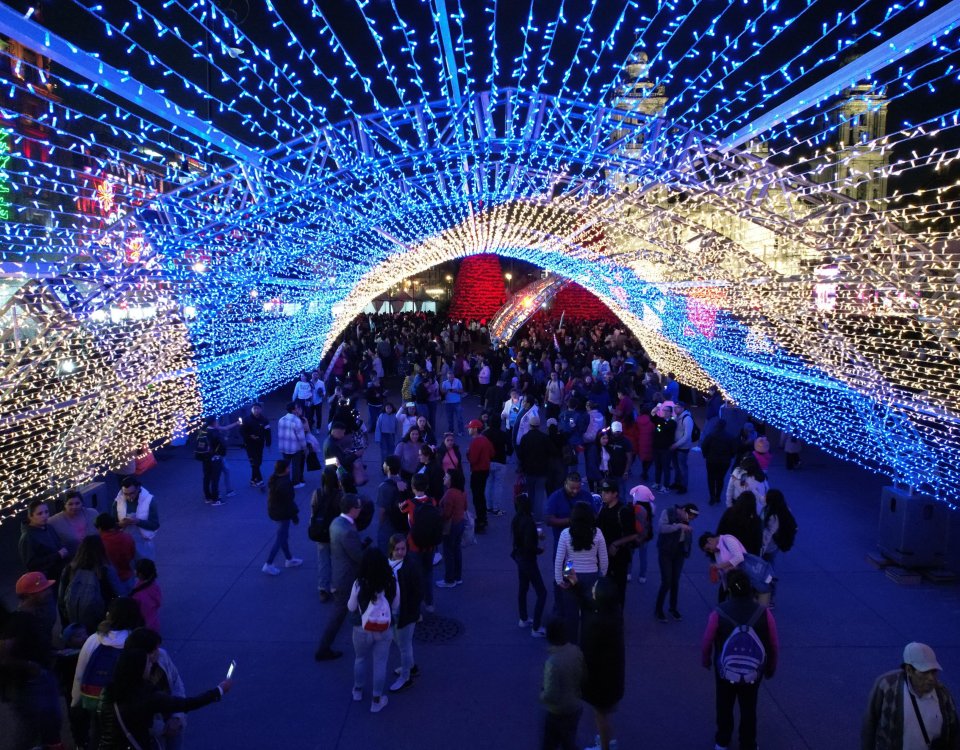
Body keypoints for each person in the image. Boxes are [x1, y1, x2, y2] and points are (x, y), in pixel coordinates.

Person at [701, 569, 778, 750]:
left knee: (724, 704)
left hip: (725, 670)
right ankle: (748, 743)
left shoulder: (718, 612)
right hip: (753, 671)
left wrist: (705, 660)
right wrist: (771, 668)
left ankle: (722, 740)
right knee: (749, 707)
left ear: (729, 589)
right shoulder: (764, 613)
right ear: (750, 588)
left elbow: (707, 641)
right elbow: (774, 644)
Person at [98, 644, 231, 750]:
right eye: (147, 663)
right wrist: (218, 691)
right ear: (138, 669)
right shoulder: (147, 696)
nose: (151, 665)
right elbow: (187, 704)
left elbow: (100, 728)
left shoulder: (110, 691)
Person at [4, 573, 65, 750]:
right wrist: (31, 667)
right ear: (31, 595)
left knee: (46, 725)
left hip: (37, 682)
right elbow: (4, 653)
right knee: (30, 730)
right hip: (30, 685)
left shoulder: (32, 617)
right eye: (43, 589)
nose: (48, 591)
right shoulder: (19, 621)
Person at [862, 641, 960, 750]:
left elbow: (954, 733)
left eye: (933, 672)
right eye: (925, 672)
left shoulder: (943, 694)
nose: (931, 678)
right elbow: (870, 723)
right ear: (909, 670)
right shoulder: (886, 686)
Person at [566, 574, 624, 750]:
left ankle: (605, 745)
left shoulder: (596, 624)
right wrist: (576, 585)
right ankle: (606, 740)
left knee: (601, 714)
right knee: (604, 713)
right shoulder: (611, 613)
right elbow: (587, 599)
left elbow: (586, 649)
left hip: (600, 679)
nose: (590, 591)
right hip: (613, 677)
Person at [347, 547, 399, 713]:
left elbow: (351, 606)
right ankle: (377, 700)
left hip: (362, 628)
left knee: (360, 658)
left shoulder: (359, 583)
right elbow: (396, 605)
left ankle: (358, 690)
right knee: (380, 663)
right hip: (384, 629)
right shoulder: (392, 581)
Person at [315, 493, 365, 661]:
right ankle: (324, 648)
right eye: (358, 507)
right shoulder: (348, 531)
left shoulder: (337, 522)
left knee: (345, 610)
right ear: (352, 509)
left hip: (340, 573)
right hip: (347, 579)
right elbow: (358, 556)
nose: (360, 510)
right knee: (338, 614)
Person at [554, 502, 608, 646]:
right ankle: (587, 646)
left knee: (570, 614)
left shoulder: (565, 533)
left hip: (570, 570)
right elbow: (603, 558)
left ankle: (571, 646)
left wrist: (559, 580)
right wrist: (602, 575)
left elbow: (560, 559)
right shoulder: (597, 533)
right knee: (588, 613)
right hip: (591, 572)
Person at [58, 535, 121, 636]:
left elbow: (61, 597)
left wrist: (65, 622)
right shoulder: (104, 570)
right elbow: (118, 593)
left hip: (73, 616)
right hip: (99, 618)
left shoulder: (69, 569)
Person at [540, 616, 584, 750]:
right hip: (575, 706)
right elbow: (583, 674)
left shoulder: (552, 663)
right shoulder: (576, 651)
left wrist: (541, 694)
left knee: (549, 744)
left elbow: (551, 694)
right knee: (569, 739)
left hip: (558, 712)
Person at [595, 479, 639, 607]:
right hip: (604, 556)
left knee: (618, 589)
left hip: (619, 557)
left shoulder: (623, 511)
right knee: (606, 587)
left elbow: (633, 534)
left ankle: (618, 618)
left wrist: (616, 544)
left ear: (615, 494)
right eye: (602, 492)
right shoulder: (604, 508)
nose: (603, 495)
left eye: (607, 492)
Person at [399, 474, 439, 614]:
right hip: (430, 544)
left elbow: (402, 510)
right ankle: (429, 602)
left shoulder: (409, 503)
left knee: (415, 576)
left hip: (414, 544)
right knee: (428, 573)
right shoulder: (432, 501)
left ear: (412, 487)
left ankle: (417, 609)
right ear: (427, 486)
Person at [387, 534, 422, 693]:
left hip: (404, 613)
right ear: (391, 550)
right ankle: (411, 667)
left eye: (403, 549)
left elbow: (417, 593)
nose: (401, 552)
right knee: (402, 643)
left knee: (404, 646)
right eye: (397, 549)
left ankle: (406, 677)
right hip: (395, 613)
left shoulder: (410, 567)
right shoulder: (390, 564)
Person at [654, 502, 699, 623]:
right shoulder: (668, 512)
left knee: (675, 581)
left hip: (679, 553)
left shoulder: (686, 521)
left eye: (692, 518)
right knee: (666, 581)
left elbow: (687, 538)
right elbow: (661, 528)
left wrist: (687, 550)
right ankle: (658, 609)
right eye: (689, 517)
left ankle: (673, 608)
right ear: (684, 510)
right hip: (666, 552)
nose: (690, 520)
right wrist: (679, 526)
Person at [511, 493, 547, 637]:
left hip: (519, 558)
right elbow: (529, 545)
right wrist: (539, 550)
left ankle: (523, 618)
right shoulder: (529, 522)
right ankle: (536, 627)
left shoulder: (516, 520)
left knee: (523, 588)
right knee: (542, 593)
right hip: (528, 560)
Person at [262, 460, 303, 575]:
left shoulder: (275, 479)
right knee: (281, 538)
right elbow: (288, 502)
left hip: (275, 511)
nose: (289, 469)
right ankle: (269, 563)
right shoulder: (285, 483)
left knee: (283, 535)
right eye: (288, 468)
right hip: (282, 512)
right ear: (285, 469)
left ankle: (289, 559)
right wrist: (294, 515)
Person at [312, 467, 344, 601]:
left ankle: (323, 588)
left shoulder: (318, 493)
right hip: (336, 531)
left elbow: (313, 510)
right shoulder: (340, 494)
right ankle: (334, 587)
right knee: (337, 560)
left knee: (323, 559)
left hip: (321, 530)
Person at [19, 499, 69, 584]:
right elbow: (31, 564)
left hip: (60, 573)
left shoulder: (48, 527)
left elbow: (58, 543)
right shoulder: (28, 537)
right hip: (46, 579)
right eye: (39, 514)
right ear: (30, 516)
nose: (44, 516)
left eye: (46, 512)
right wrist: (57, 555)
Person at [110, 477, 160, 561]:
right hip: (123, 545)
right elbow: (111, 525)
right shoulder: (117, 502)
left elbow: (155, 525)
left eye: (132, 493)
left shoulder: (149, 501)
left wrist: (138, 522)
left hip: (143, 544)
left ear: (138, 488)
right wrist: (120, 524)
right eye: (126, 494)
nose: (129, 497)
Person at [437, 468, 467, 588]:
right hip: (460, 523)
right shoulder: (462, 492)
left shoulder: (450, 493)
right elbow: (465, 506)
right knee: (456, 550)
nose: (444, 478)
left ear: (452, 480)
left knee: (448, 552)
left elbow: (446, 513)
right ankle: (457, 577)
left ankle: (449, 579)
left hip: (451, 526)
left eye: (446, 476)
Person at [519, 415, 553, 520]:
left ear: (530, 425)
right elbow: (550, 452)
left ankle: (531, 512)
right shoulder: (544, 438)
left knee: (530, 492)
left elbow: (521, 455)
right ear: (539, 425)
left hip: (529, 470)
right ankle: (538, 517)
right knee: (539, 493)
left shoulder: (525, 438)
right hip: (542, 470)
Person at [48, 490, 98, 558]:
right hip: (71, 559)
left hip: (95, 555)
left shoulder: (93, 513)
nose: (74, 507)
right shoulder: (54, 521)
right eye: (70, 504)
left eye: (77, 503)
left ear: (82, 503)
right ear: (65, 505)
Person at [96, 513, 136, 594]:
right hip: (128, 576)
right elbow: (132, 555)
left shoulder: (99, 542)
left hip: (111, 580)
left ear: (99, 528)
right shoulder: (127, 537)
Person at [466, 418, 494, 532]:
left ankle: (480, 520)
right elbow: (492, 453)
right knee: (481, 495)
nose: (469, 430)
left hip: (477, 471)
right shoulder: (485, 440)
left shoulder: (475, 441)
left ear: (475, 429)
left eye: (470, 428)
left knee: (477, 497)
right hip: (485, 470)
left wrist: (468, 454)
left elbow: (472, 459)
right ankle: (483, 518)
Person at [701, 419, 738, 506]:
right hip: (725, 461)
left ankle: (712, 496)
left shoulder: (710, 435)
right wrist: (730, 456)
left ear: (716, 425)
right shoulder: (730, 436)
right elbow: (734, 449)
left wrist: (705, 455)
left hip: (711, 460)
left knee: (711, 478)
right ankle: (718, 496)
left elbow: (704, 446)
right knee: (720, 478)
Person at [196, 417, 227, 505]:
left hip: (205, 458)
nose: (217, 423)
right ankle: (216, 499)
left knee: (206, 477)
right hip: (215, 458)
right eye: (216, 421)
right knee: (215, 479)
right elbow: (223, 445)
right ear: (213, 423)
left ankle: (207, 497)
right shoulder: (215, 432)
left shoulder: (203, 431)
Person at [240, 402, 271, 487]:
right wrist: (250, 436)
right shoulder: (246, 420)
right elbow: (242, 431)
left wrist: (268, 442)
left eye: (257, 408)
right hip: (250, 444)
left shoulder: (264, 420)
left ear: (261, 409)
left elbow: (268, 431)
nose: (256, 410)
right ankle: (260, 480)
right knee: (255, 462)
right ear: (251, 409)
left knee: (259, 461)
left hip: (260, 444)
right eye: (254, 408)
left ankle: (253, 479)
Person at [277, 402, 307, 488]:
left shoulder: (281, 419)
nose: (298, 409)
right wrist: (304, 447)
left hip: (284, 447)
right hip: (295, 448)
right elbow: (301, 437)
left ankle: (285, 481)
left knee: (285, 465)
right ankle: (295, 483)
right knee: (295, 465)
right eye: (297, 408)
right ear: (293, 410)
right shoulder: (297, 421)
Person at [131, 559, 162, 633]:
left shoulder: (138, 594)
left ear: (140, 574)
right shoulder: (154, 585)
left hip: (143, 624)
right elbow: (158, 602)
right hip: (153, 621)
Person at [670, 402, 694, 494]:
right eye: (675, 407)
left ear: (683, 408)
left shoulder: (687, 419)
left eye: (677, 407)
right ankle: (677, 483)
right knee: (676, 466)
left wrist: (676, 445)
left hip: (683, 447)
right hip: (676, 445)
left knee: (682, 467)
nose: (675, 409)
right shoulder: (677, 417)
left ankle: (684, 486)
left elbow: (687, 436)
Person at [441, 369, 465, 435]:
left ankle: (461, 431)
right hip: (448, 403)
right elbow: (442, 392)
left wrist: (456, 390)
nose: (450, 378)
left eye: (451, 377)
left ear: (453, 376)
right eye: (449, 377)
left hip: (457, 402)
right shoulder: (444, 383)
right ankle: (451, 431)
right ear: (447, 377)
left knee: (459, 418)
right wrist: (446, 391)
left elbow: (462, 391)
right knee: (449, 418)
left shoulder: (458, 381)